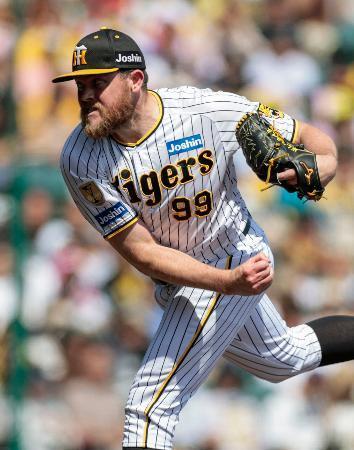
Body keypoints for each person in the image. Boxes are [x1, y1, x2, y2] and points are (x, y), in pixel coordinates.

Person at [53, 27, 354, 450]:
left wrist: (326, 164)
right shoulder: (80, 158)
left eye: (99, 83)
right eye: (80, 84)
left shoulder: (202, 109)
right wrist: (226, 285)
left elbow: (308, 136)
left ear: (136, 80)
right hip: (201, 277)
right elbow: (142, 252)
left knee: (149, 408)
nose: (86, 94)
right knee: (283, 358)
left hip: (235, 253)